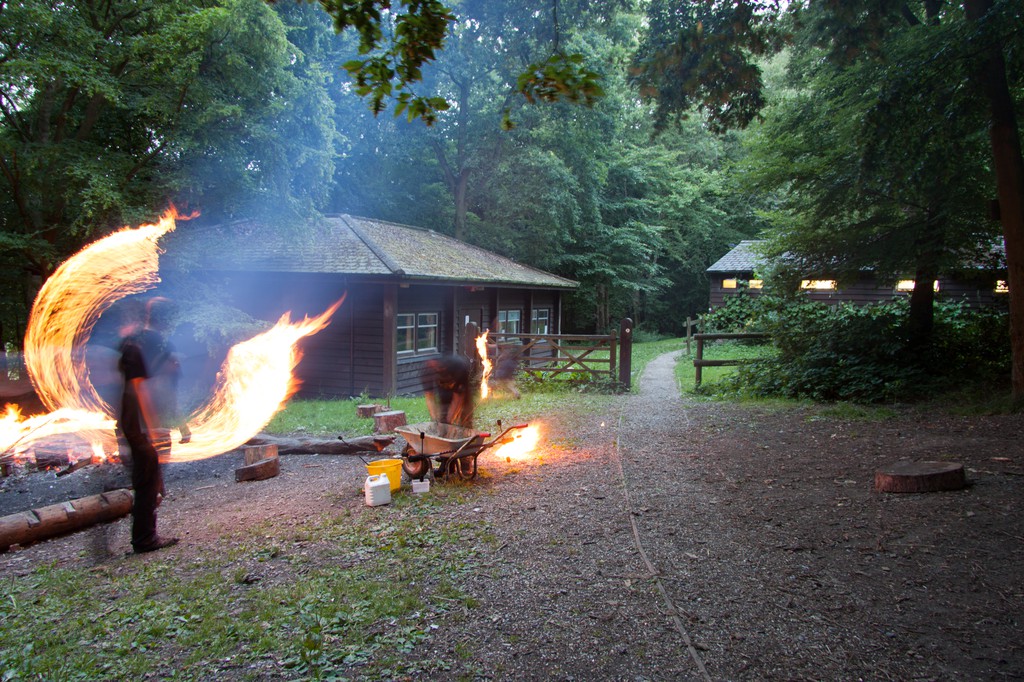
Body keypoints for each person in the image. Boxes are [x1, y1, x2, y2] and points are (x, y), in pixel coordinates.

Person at [117, 297, 185, 553]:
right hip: (139, 425)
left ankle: (145, 534)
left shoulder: (135, 344)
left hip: (134, 423)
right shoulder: (137, 347)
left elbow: (163, 387)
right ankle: (145, 539)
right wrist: (153, 428)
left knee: (148, 478)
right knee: (147, 480)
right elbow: (139, 389)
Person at [421, 354, 474, 427]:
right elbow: (429, 397)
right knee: (442, 421)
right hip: (444, 396)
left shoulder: (458, 367)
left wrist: (449, 421)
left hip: (461, 394)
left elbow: (458, 399)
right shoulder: (427, 371)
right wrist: (435, 420)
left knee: (465, 418)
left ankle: (466, 431)